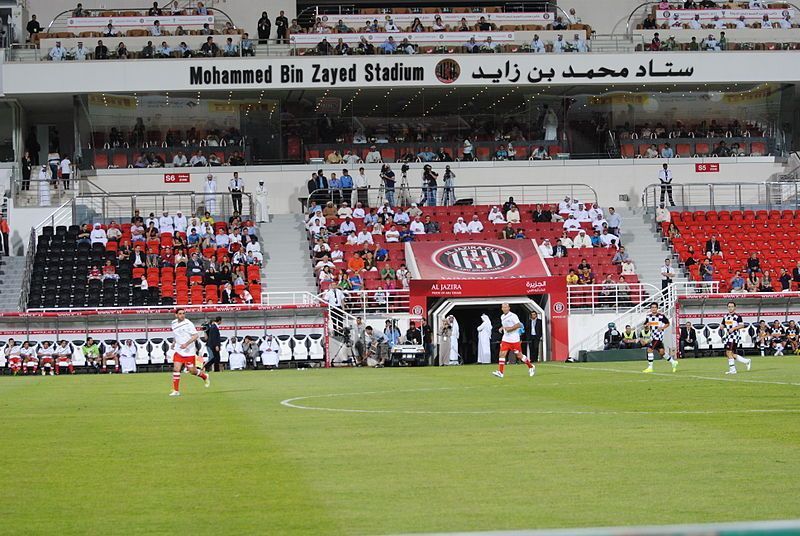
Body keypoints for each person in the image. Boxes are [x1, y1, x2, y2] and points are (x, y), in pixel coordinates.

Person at [169, 308, 210, 396]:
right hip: (179, 350)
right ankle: (176, 391)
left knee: (192, 371)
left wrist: (186, 344)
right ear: (176, 315)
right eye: (180, 313)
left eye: (183, 313)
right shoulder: (173, 323)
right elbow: (176, 335)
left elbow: (195, 335)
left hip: (189, 351)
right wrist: (173, 343)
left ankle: (204, 376)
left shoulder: (188, 323)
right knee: (176, 369)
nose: (182, 315)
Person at [492, 303, 535, 379]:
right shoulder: (502, 316)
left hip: (514, 339)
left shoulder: (513, 316)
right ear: (502, 308)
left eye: (506, 307)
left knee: (519, 355)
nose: (505, 308)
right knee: (502, 354)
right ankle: (500, 373)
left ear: (509, 308)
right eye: (503, 307)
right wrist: (502, 328)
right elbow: (505, 325)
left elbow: (519, 325)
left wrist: (510, 329)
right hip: (505, 339)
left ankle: (531, 367)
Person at [642, 303, 678, 373]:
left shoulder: (661, 316)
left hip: (658, 337)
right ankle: (673, 362)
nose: (653, 309)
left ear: (657, 308)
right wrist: (646, 326)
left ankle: (650, 367)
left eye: (655, 307)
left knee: (649, 349)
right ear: (650, 308)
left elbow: (667, 323)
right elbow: (645, 325)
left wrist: (662, 328)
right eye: (652, 307)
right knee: (662, 352)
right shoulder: (648, 316)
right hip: (653, 336)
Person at [721, 301, 752, 374]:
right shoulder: (725, 317)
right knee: (730, 353)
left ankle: (733, 370)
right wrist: (722, 327)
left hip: (734, 336)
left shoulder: (738, 316)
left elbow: (742, 325)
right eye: (729, 307)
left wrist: (734, 328)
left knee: (729, 352)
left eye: (732, 306)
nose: (730, 308)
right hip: (728, 336)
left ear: (735, 308)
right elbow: (722, 325)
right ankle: (746, 361)